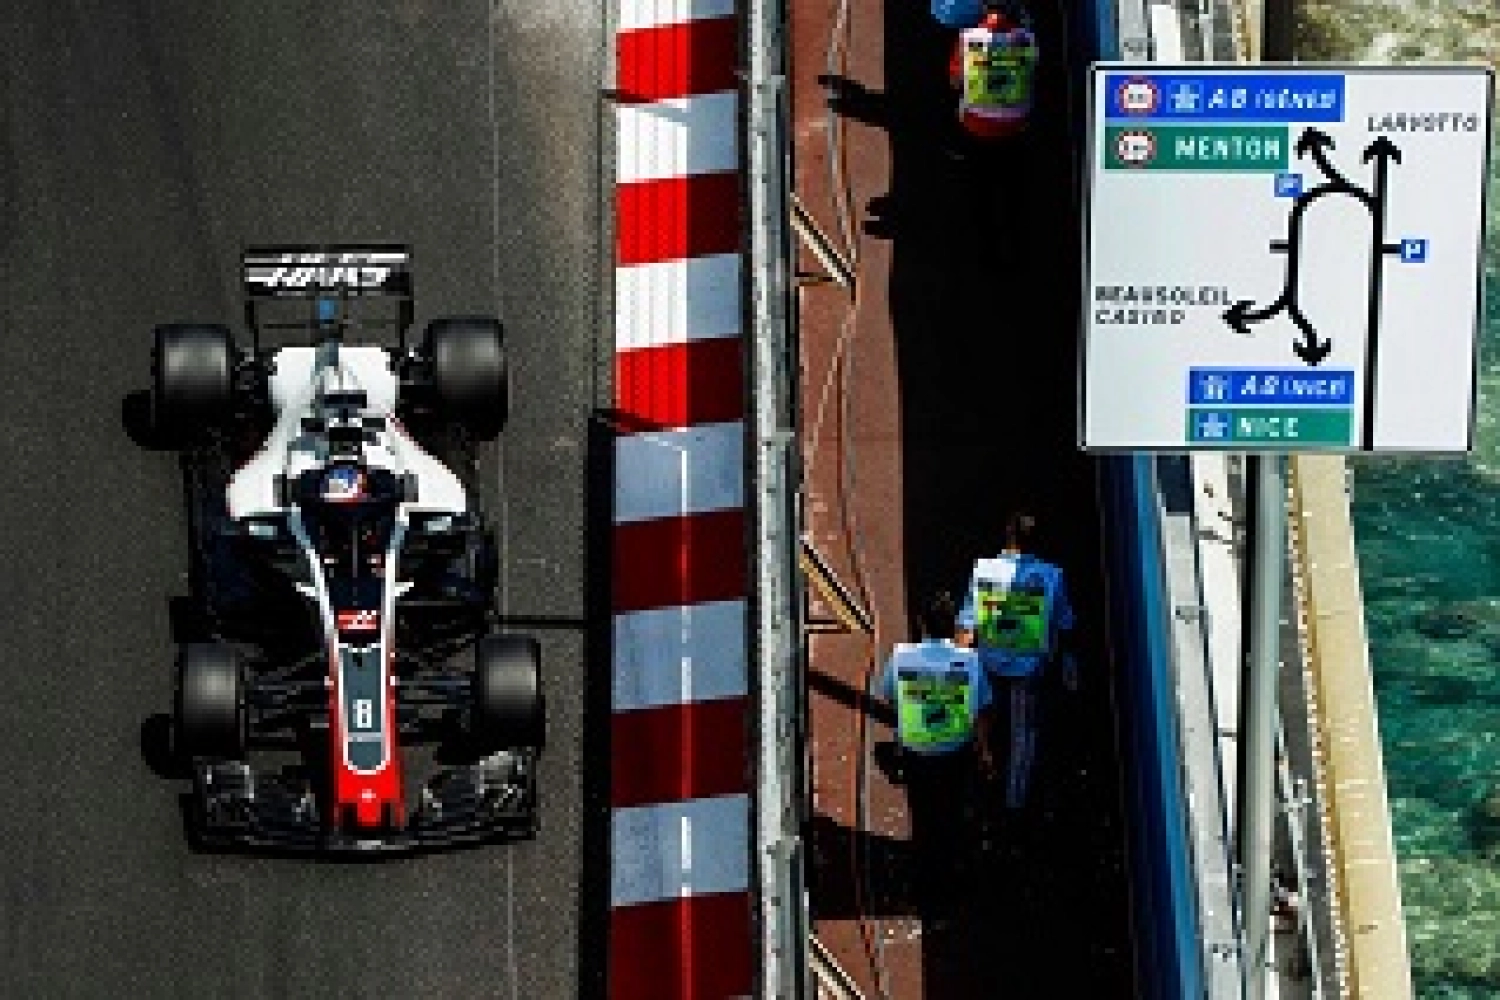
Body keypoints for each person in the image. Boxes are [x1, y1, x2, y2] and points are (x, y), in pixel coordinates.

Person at [879, 591, 995, 915]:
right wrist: (984, 752)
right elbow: (983, 709)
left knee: (923, 817)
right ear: (953, 626)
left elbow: (889, 696)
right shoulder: (970, 662)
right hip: (954, 753)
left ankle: (926, 885)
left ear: (921, 624)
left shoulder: (901, 657)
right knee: (952, 815)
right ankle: (952, 881)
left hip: (916, 753)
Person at [957, 511, 1077, 813]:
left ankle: (982, 772)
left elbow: (966, 627)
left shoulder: (983, 570)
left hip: (989, 662)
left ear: (1008, 532)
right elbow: (1065, 624)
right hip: (1029, 669)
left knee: (982, 719)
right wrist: (1068, 666)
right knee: (1024, 735)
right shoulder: (1052, 576)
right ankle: (1015, 800)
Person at [947, 2, 1039, 140]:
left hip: (974, 121)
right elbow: (1033, 75)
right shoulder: (1029, 38)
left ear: (983, 8)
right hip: (1018, 121)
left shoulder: (966, 37)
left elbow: (955, 83)